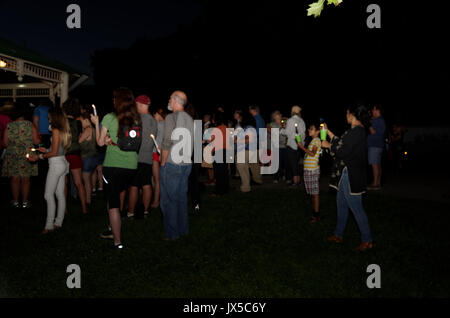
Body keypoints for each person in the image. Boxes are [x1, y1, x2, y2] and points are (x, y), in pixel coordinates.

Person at [91, 88, 141, 249]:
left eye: (114, 99)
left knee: (113, 203)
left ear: (118, 101)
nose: (113, 101)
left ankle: (117, 241)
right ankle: (113, 226)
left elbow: (99, 143)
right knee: (116, 195)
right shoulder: (136, 120)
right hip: (131, 166)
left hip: (113, 166)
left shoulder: (109, 118)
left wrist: (96, 123)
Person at [321, 104, 373, 251]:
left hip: (352, 175)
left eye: (347, 113)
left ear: (351, 114)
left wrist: (327, 145)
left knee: (356, 208)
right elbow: (342, 143)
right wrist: (329, 132)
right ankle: (338, 235)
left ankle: (367, 240)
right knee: (342, 205)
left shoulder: (357, 131)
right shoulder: (355, 131)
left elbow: (342, 150)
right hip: (345, 173)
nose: (346, 116)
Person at [28, 107, 71, 234]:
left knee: (48, 195)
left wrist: (39, 156)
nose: (48, 119)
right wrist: (45, 150)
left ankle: (49, 225)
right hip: (62, 162)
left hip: (56, 164)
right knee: (59, 195)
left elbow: (54, 152)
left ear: (54, 117)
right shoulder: (64, 130)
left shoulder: (56, 130)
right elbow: (58, 150)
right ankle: (58, 222)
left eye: (49, 117)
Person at [160, 90, 194, 241]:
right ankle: (183, 228)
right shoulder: (190, 118)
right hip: (186, 163)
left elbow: (167, 142)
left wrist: (162, 162)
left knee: (169, 200)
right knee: (181, 198)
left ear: (175, 100)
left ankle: (172, 233)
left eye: (170, 98)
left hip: (172, 163)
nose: (168, 101)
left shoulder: (171, 117)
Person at [2, 102, 40, 208]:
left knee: (14, 179)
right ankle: (25, 202)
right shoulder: (30, 125)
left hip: (13, 155)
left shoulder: (9, 126)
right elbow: (36, 142)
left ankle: (15, 201)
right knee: (26, 179)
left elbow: (5, 143)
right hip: (27, 155)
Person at [127, 95, 157, 218]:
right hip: (148, 157)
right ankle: (145, 210)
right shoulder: (153, 119)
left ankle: (131, 211)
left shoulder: (139, 119)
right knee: (146, 184)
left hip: (137, 157)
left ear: (140, 104)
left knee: (134, 186)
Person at [63, 98, 88, 214]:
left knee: (64, 183)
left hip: (64, 154)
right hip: (76, 154)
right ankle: (84, 208)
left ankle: (65, 209)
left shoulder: (62, 122)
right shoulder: (78, 123)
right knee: (79, 182)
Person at [297, 122, 322, 223]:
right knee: (312, 193)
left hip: (313, 170)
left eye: (311, 129)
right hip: (309, 170)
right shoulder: (313, 141)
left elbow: (312, 153)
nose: (309, 130)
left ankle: (316, 215)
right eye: (309, 129)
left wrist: (301, 147)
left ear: (317, 131)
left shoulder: (316, 141)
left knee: (315, 193)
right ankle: (314, 211)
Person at [235, 112, 261, 192]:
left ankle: (246, 187)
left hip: (245, 151)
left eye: (241, 117)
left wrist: (236, 140)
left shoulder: (249, 127)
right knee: (244, 168)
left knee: (243, 169)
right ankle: (246, 185)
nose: (240, 119)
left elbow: (249, 139)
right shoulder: (248, 127)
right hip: (246, 150)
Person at [78, 110, 99, 207]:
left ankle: (88, 200)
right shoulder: (94, 129)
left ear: (86, 120)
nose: (80, 123)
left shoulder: (87, 130)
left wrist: (79, 136)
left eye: (81, 121)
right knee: (88, 179)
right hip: (93, 156)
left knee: (86, 180)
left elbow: (79, 142)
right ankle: (89, 198)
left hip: (87, 158)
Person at [281, 105, 306, 186]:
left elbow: (287, 133)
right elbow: (303, 133)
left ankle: (295, 182)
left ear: (292, 112)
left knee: (293, 164)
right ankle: (298, 180)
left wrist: (281, 130)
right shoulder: (302, 121)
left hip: (292, 144)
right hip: (300, 145)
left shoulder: (290, 120)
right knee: (297, 163)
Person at [185, 102, 202, 211]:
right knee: (194, 179)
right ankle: (196, 203)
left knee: (186, 179)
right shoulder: (198, 123)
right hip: (196, 153)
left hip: (188, 153)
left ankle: (185, 201)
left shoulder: (186, 123)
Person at [367, 104, 386, 190]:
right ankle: (378, 182)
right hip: (377, 145)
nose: (372, 111)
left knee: (374, 165)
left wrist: (368, 124)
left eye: (374, 110)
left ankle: (375, 184)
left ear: (378, 110)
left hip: (375, 145)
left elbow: (373, 132)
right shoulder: (378, 120)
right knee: (377, 165)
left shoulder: (379, 120)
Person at [210, 111, 229, 196]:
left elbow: (211, 140)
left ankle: (218, 191)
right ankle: (224, 190)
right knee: (224, 172)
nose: (212, 119)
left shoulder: (217, 129)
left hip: (218, 152)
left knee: (218, 173)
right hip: (225, 151)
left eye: (213, 118)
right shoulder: (225, 127)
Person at [150, 107, 166, 209]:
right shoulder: (167, 124)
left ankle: (156, 201)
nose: (153, 117)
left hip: (156, 152)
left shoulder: (158, 125)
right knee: (159, 178)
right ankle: (160, 198)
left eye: (154, 115)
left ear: (158, 114)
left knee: (156, 179)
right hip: (164, 153)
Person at [270, 111, 288, 183]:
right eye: (277, 117)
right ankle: (276, 178)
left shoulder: (284, 122)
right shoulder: (273, 124)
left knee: (285, 163)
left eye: (279, 116)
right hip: (276, 147)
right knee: (277, 163)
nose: (278, 118)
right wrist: (282, 127)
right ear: (274, 117)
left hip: (285, 146)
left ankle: (286, 177)